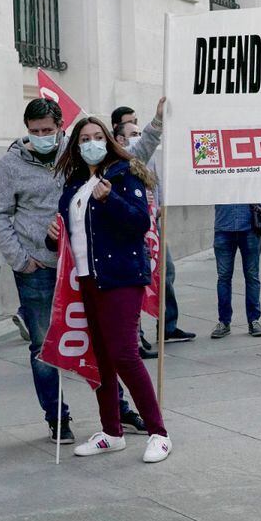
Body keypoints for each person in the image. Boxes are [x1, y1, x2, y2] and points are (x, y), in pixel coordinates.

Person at [47, 117, 171, 463]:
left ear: (107, 140)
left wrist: (109, 200)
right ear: (75, 145)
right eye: (85, 138)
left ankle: (158, 432)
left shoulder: (122, 174)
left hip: (121, 277)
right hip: (86, 280)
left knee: (125, 355)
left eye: (98, 136)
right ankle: (112, 432)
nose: (92, 143)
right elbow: (70, 234)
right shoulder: (73, 185)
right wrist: (51, 235)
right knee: (101, 358)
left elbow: (139, 222)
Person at [0, 98, 75, 443]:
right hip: (36, 269)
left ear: (60, 127)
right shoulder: (10, 164)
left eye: (47, 131)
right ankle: (57, 417)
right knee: (42, 346)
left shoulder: (76, 152)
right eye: (34, 131)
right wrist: (21, 259)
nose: (41, 136)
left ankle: (117, 408)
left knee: (96, 340)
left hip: (77, 264)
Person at [112, 106, 194, 345]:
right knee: (135, 281)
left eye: (139, 126)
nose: (138, 133)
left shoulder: (147, 157)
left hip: (153, 226)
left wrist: (159, 209)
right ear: (118, 135)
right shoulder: (117, 160)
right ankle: (135, 336)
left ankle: (167, 326)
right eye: (131, 127)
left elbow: (155, 184)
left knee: (166, 272)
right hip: (131, 231)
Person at [210, 204, 261, 339]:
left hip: (249, 228)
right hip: (224, 227)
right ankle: (224, 321)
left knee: (252, 276)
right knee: (223, 277)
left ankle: (254, 320)